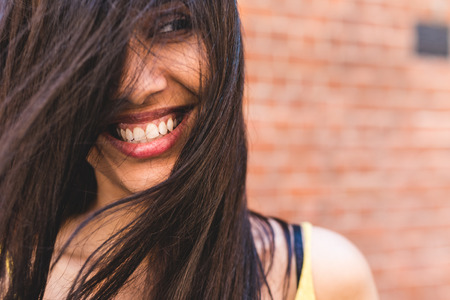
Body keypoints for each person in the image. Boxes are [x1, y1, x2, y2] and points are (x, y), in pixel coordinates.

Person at [0, 0, 378, 299]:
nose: (136, 86)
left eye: (171, 25)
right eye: (90, 46)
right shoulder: (10, 276)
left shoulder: (327, 278)